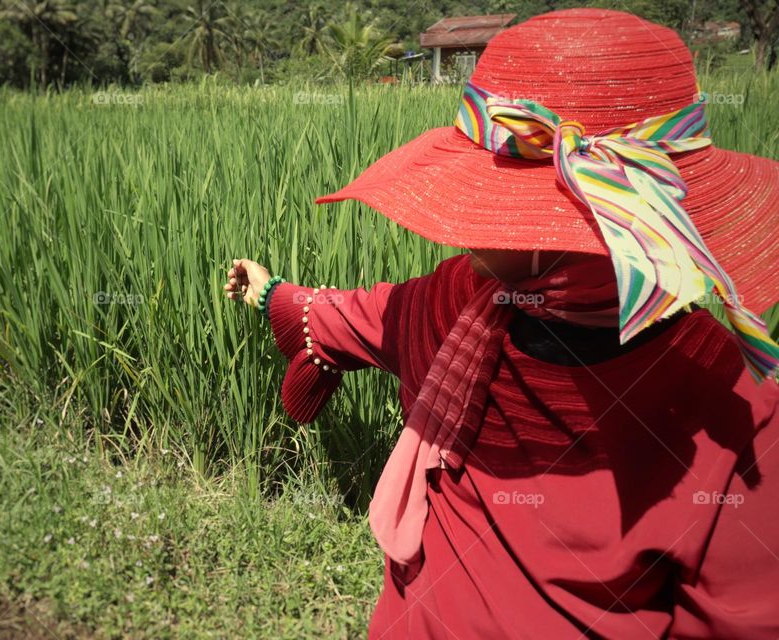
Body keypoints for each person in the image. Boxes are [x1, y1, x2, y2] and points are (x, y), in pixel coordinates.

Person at [224, 9, 779, 639]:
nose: (466, 234)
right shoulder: (739, 398)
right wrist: (274, 289)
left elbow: (348, 317)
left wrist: (275, 293)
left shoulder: (455, 306)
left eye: (489, 209)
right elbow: (350, 316)